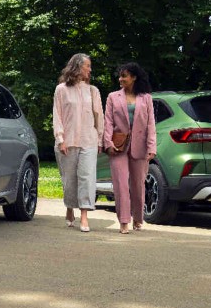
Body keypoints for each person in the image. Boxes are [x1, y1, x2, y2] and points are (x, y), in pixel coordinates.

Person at [52, 53, 105, 232]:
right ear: (77, 66)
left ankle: (84, 216)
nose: (90, 69)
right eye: (87, 66)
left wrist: (100, 139)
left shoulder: (93, 91)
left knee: (87, 178)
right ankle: (69, 207)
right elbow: (57, 115)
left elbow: (99, 116)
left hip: (88, 141)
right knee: (69, 180)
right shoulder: (61, 90)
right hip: (68, 141)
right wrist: (60, 139)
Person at [103, 62, 157, 234]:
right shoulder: (113, 97)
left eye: (124, 76)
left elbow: (151, 124)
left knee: (138, 185)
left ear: (134, 77)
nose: (120, 79)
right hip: (118, 146)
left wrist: (151, 146)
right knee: (120, 184)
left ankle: (137, 218)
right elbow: (108, 122)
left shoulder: (146, 98)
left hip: (140, 147)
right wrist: (108, 143)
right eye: (120, 75)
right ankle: (124, 221)